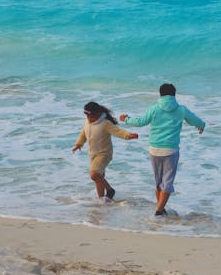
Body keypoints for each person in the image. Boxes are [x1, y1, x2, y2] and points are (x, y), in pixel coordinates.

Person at [119, 84, 205, 216]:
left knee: (158, 182)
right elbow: (196, 120)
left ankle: (161, 208)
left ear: (160, 95)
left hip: (154, 149)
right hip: (170, 150)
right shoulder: (181, 110)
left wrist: (127, 119)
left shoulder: (154, 109)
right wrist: (201, 126)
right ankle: (159, 210)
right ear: (174, 95)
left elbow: (140, 122)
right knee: (168, 182)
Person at [73, 101, 138, 200]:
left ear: (98, 113)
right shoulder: (87, 122)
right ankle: (102, 201)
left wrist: (129, 135)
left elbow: (118, 131)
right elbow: (83, 133)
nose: (89, 119)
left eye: (92, 116)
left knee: (94, 174)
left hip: (104, 154)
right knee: (99, 178)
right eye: (87, 117)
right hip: (92, 154)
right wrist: (79, 144)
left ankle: (110, 190)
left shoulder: (105, 123)